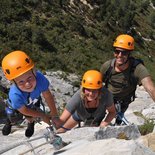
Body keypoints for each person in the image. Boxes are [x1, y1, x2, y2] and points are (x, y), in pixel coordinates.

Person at [1, 50, 61, 137]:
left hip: (32, 101)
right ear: (14, 82)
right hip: (18, 106)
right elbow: (24, 110)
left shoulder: (40, 78)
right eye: (21, 81)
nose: (28, 84)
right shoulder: (15, 95)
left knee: (31, 115)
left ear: (34, 72)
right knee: (13, 117)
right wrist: (42, 115)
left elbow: (47, 95)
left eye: (29, 78)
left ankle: (30, 123)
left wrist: (55, 115)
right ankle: (9, 123)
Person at [100, 34, 155, 125]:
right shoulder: (108, 66)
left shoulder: (137, 68)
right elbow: (94, 85)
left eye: (124, 52)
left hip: (124, 102)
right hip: (107, 100)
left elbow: (150, 88)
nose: (120, 55)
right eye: (117, 52)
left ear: (129, 53)